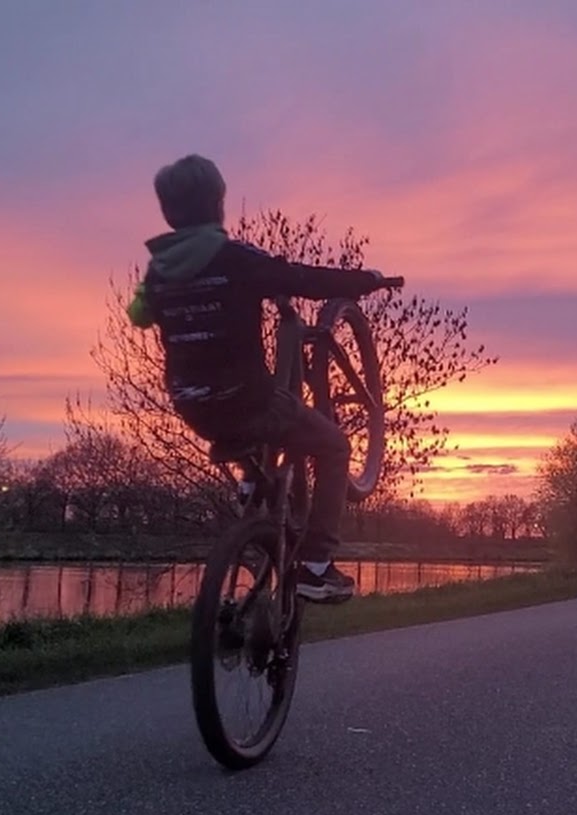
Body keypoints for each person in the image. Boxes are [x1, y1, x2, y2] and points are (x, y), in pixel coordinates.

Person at [127, 154, 387, 602]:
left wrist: (162, 296)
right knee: (333, 446)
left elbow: (139, 315)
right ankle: (316, 567)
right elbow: (300, 278)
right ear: (218, 203)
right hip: (247, 399)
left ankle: (252, 477)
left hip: (191, 404)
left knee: (241, 422)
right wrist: (364, 280)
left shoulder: (157, 272)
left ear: (167, 212)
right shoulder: (235, 258)